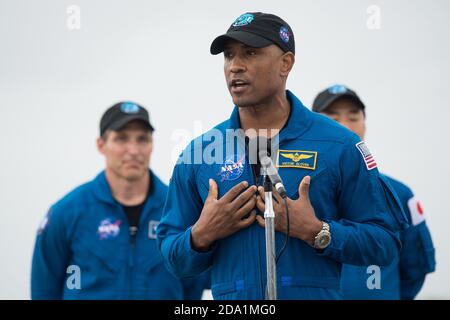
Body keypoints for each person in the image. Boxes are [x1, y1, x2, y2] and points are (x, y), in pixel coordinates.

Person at [156, 12, 407, 300]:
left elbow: (385, 242)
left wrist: (317, 231)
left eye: (250, 53)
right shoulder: (199, 154)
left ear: (285, 63)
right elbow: (171, 257)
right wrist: (200, 235)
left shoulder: (339, 145)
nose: (235, 66)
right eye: (229, 55)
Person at [31, 101, 207, 299]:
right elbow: (43, 290)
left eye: (142, 139)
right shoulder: (66, 213)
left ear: (152, 145)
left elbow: (194, 285)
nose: (133, 150)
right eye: (121, 139)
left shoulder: (180, 209)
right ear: (101, 145)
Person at [312, 84, 436, 299]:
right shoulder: (299, 194)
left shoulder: (399, 194)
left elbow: (415, 270)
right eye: (333, 119)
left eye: (353, 117)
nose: (345, 127)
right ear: (314, 127)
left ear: (364, 124)